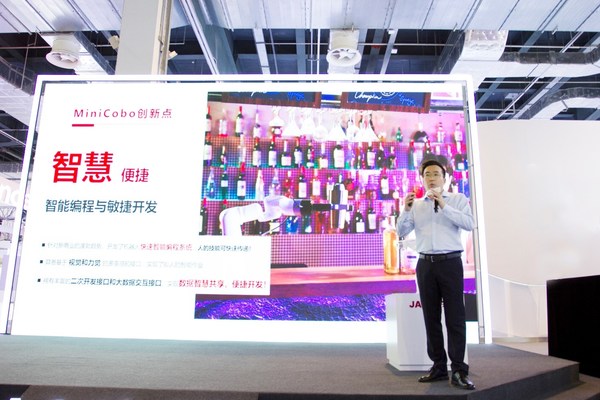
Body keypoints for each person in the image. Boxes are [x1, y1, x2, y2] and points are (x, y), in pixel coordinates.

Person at [396, 159, 476, 390]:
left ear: (445, 177)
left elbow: (469, 224)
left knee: (455, 318)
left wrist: (443, 204)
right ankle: (439, 366)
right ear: (422, 179)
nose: (431, 178)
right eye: (427, 174)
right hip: (425, 265)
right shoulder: (417, 205)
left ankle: (459, 370)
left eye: (436, 174)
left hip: (450, 263)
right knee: (430, 317)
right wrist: (406, 210)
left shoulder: (457, 199)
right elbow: (401, 231)